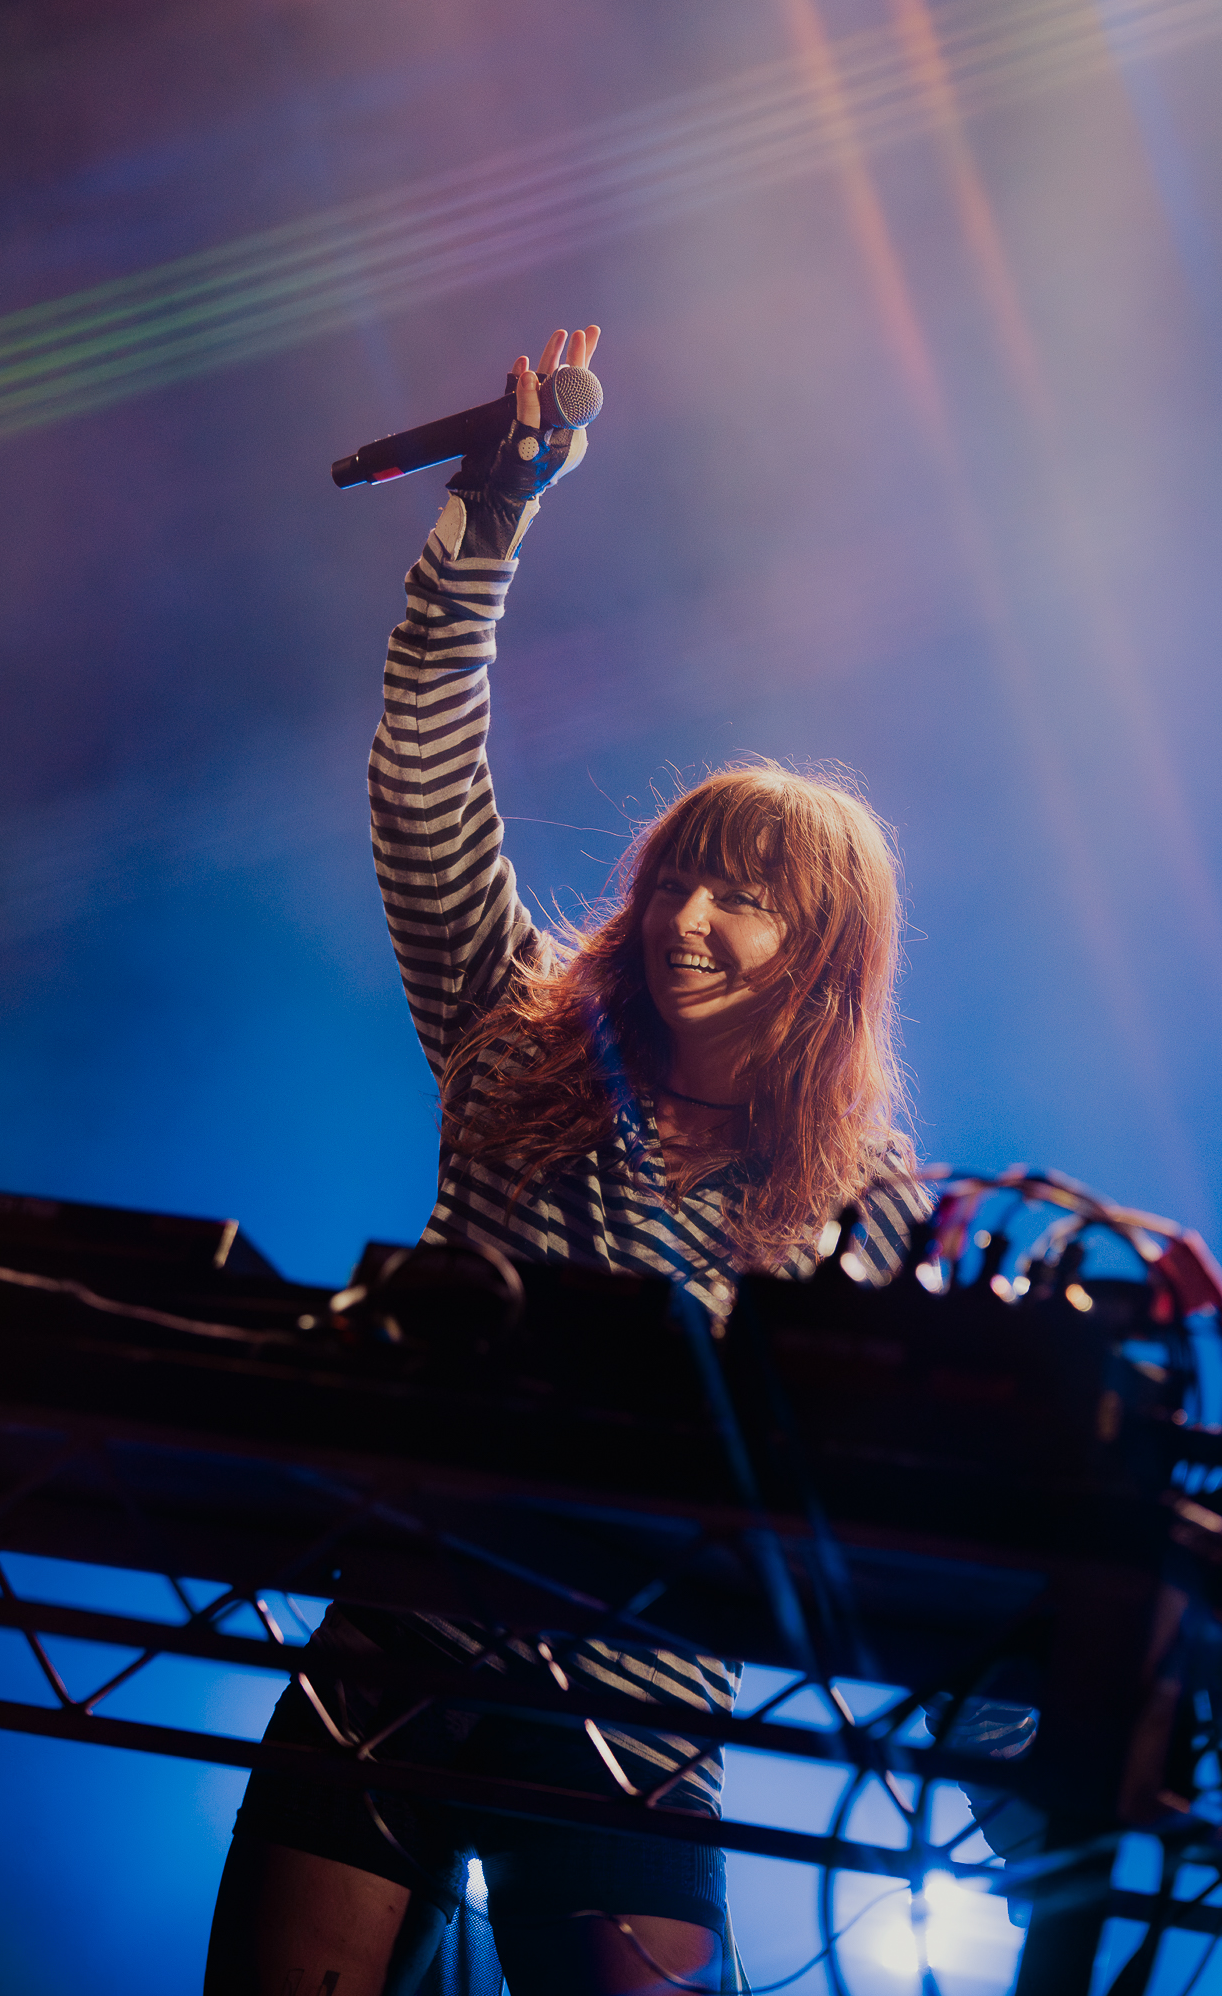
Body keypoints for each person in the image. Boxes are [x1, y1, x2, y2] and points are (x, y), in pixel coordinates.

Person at [204, 326, 920, 1996]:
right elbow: (421, 776)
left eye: (746, 898)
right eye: (679, 880)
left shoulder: (855, 1202)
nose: (688, 918)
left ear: (823, 957)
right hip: (394, 1639)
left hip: (634, 1716)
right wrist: (490, 521)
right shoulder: (515, 1025)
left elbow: (886, 1485)